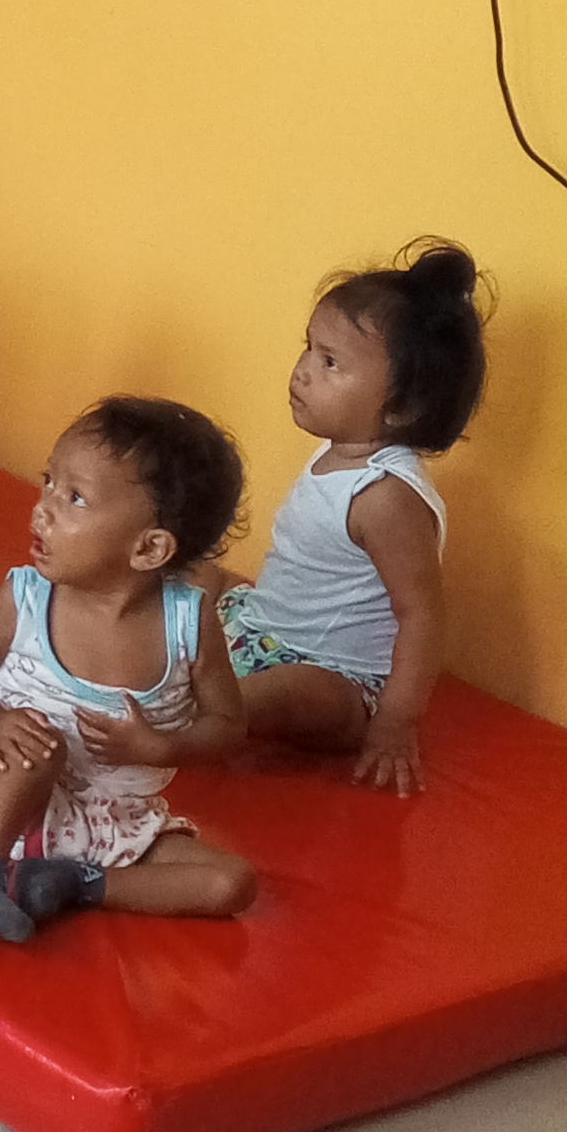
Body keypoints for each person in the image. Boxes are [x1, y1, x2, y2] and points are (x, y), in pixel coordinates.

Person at [0, 398, 255, 941]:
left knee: (233, 884)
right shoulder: (25, 599)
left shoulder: (188, 623)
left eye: (75, 497)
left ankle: (73, 883)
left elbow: (228, 725)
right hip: (14, 799)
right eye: (48, 482)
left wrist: (162, 747)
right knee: (39, 747)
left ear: (149, 548)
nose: (43, 509)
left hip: (119, 822)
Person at [222, 242, 488, 798]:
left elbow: (422, 617)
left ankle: (191, 720)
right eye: (309, 348)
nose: (302, 371)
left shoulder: (386, 496)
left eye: (330, 362)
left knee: (289, 695)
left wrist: (396, 722)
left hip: (334, 678)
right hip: (262, 629)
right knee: (192, 572)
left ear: (403, 408)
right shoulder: (339, 450)